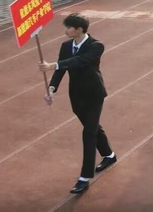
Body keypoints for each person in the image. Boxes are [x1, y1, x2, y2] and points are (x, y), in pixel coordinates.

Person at [39, 13, 116, 194]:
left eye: (68, 27)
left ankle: (84, 177)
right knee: (93, 129)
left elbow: (79, 61)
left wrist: (53, 65)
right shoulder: (66, 46)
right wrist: (51, 89)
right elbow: (61, 70)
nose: (65, 30)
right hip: (76, 96)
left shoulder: (96, 46)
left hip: (94, 95)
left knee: (88, 134)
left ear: (79, 29)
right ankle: (109, 155)